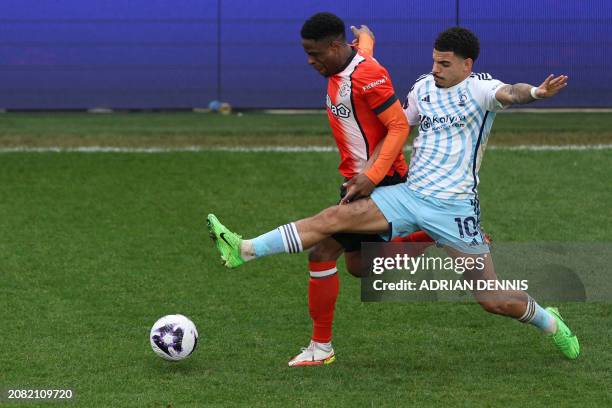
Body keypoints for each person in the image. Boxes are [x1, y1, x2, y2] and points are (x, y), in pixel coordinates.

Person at [207, 26, 579, 362]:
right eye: (434, 61)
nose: (437, 69)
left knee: (492, 300)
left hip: (454, 209)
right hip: (409, 195)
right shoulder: (423, 89)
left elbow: (510, 93)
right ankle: (244, 250)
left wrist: (536, 92)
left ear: (467, 65)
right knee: (331, 220)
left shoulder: (480, 89)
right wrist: (369, 166)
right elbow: (397, 123)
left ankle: (551, 322)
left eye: (445, 64)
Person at [284, 12, 434, 366]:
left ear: (335, 47)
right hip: (359, 181)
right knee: (359, 266)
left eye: (314, 52)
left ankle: (321, 348)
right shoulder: (346, 62)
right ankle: (432, 233)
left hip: (378, 181)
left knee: (321, 251)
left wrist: (372, 176)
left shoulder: (365, 74)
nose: (310, 60)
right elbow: (361, 51)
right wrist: (367, 37)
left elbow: (398, 126)